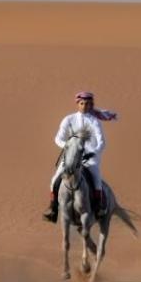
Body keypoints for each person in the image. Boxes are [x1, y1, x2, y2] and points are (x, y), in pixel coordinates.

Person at [43, 91, 117, 223]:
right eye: (82, 103)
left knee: (96, 178)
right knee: (55, 179)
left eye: (88, 104)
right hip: (71, 155)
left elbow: (101, 142)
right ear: (77, 104)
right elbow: (58, 139)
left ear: (91, 105)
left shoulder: (95, 121)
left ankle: (98, 206)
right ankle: (53, 208)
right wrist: (68, 146)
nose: (84, 106)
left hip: (90, 156)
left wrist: (94, 152)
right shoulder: (68, 119)